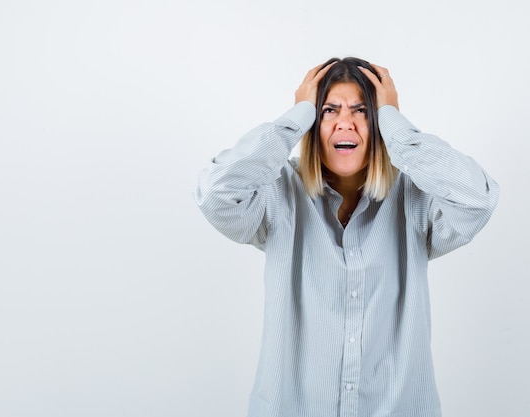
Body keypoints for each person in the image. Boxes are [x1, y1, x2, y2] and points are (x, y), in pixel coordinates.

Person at [193, 57, 499, 417]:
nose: (345, 123)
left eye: (362, 111)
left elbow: (478, 200)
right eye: (328, 110)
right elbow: (216, 193)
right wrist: (293, 121)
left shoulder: (415, 198)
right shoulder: (277, 194)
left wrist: (398, 131)